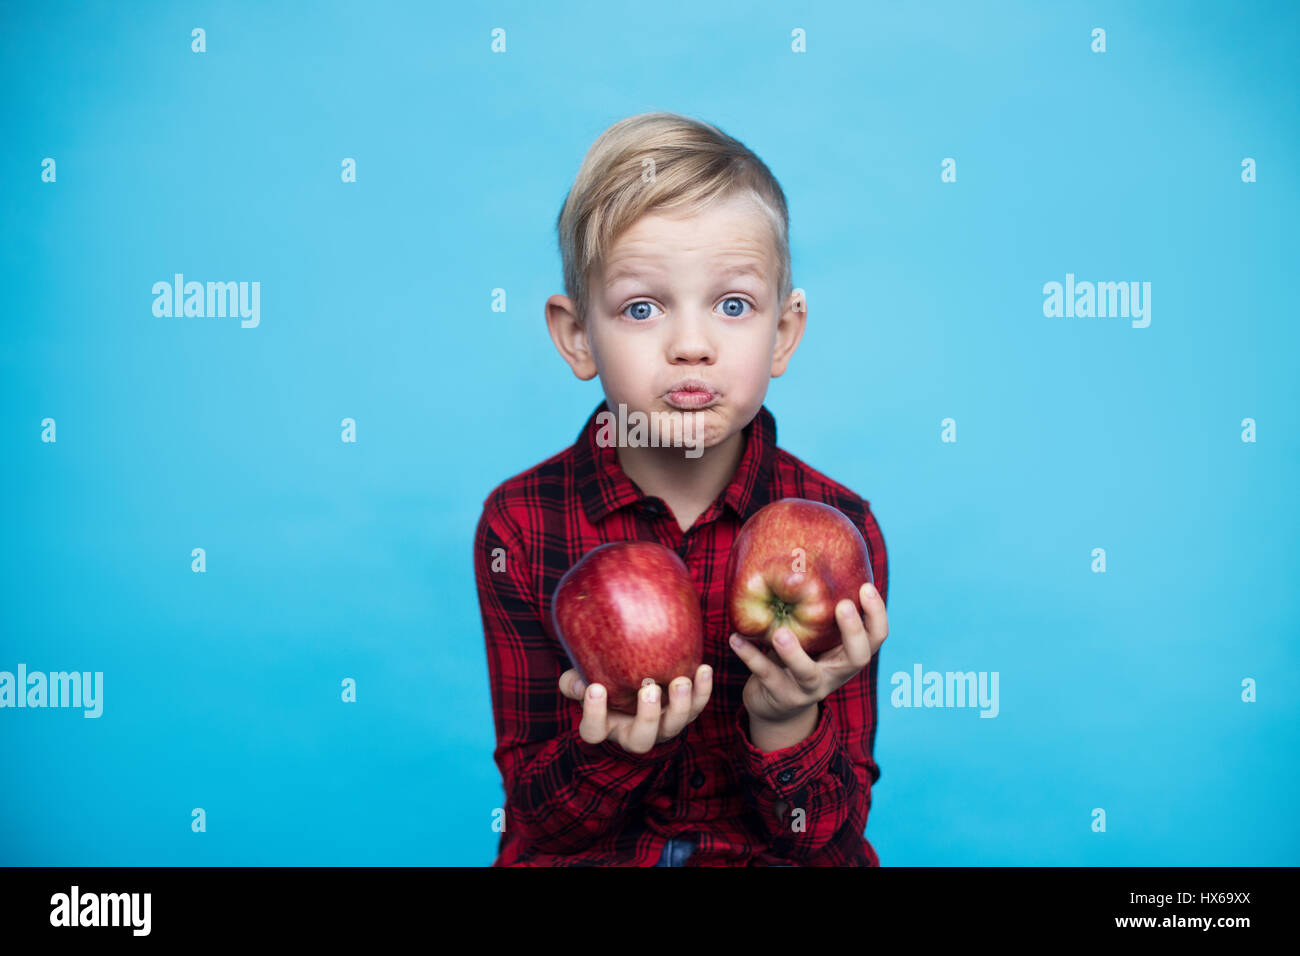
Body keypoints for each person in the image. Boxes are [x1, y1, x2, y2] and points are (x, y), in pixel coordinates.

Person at [474, 111, 890, 866]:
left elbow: (826, 836)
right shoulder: (524, 526)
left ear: (784, 334)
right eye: (642, 307)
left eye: (734, 306)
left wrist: (785, 717)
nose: (691, 344)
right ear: (576, 337)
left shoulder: (840, 528)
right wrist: (614, 754)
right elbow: (538, 824)